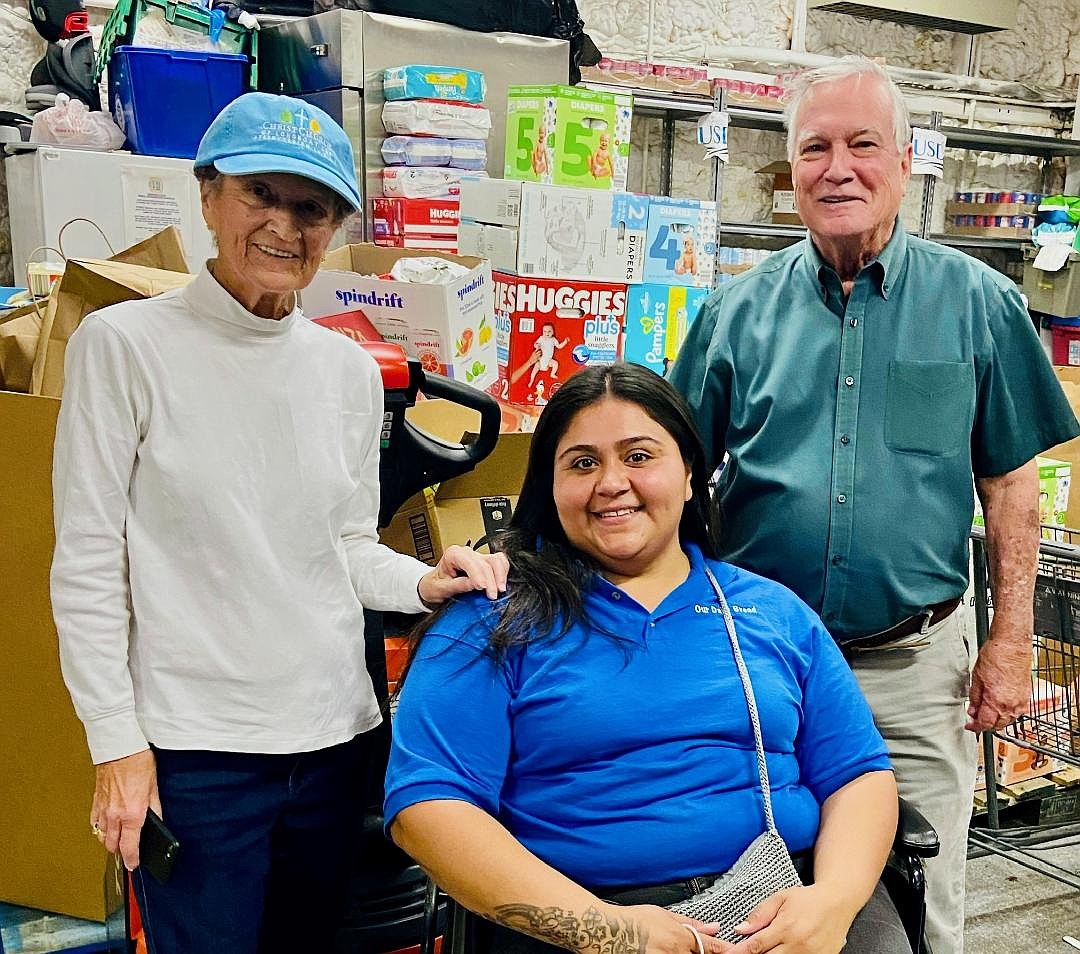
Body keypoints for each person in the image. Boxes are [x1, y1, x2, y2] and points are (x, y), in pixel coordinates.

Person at [50, 92, 508, 954]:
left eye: (312, 209)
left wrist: (420, 580)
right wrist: (116, 745)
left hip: (335, 741)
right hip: (197, 757)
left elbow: (339, 545)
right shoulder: (123, 347)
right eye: (262, 194)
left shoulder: (344, 370)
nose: (284, 226)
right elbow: (84, 563)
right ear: (208, 194)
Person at [668, 56, 1080, 954]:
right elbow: (674, 477)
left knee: (924, 891)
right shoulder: (734, 314)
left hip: (914, 667)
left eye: (863, 144)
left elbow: (1010, 486)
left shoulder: (982, 306)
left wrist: (1008, 645)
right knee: (750, 890)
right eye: (815, 148)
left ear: (904, 161)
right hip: (762, 667)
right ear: (793, 171)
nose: (837, 167)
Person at [386, 363, 909, 954]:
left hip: (788, 897)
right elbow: (427, 806)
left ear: (690, 476)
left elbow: (857, 773)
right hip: (577, 915)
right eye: (582, 463)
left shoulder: (774, 612)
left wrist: (833, 902)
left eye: (639, 456)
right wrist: (604, 930)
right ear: (550, 488)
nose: (611, 482)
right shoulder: (491, 618)